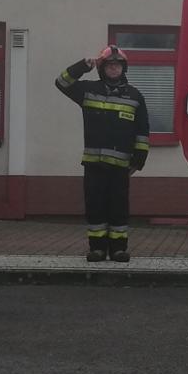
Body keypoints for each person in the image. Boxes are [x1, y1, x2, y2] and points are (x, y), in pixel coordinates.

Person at [56, 47, 151, 262]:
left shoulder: (135, 96)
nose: (114, 68)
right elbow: (61, 82)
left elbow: (142, 131)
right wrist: (82, 66)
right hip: (94, 164)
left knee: (118, 206)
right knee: (95, 206)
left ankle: (118, 249)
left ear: (123, 68)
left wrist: (138, 161)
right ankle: (97, 248)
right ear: (102, 68)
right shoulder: (88, 90)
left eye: (118, 65)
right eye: (110, 65)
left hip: (121, 165)